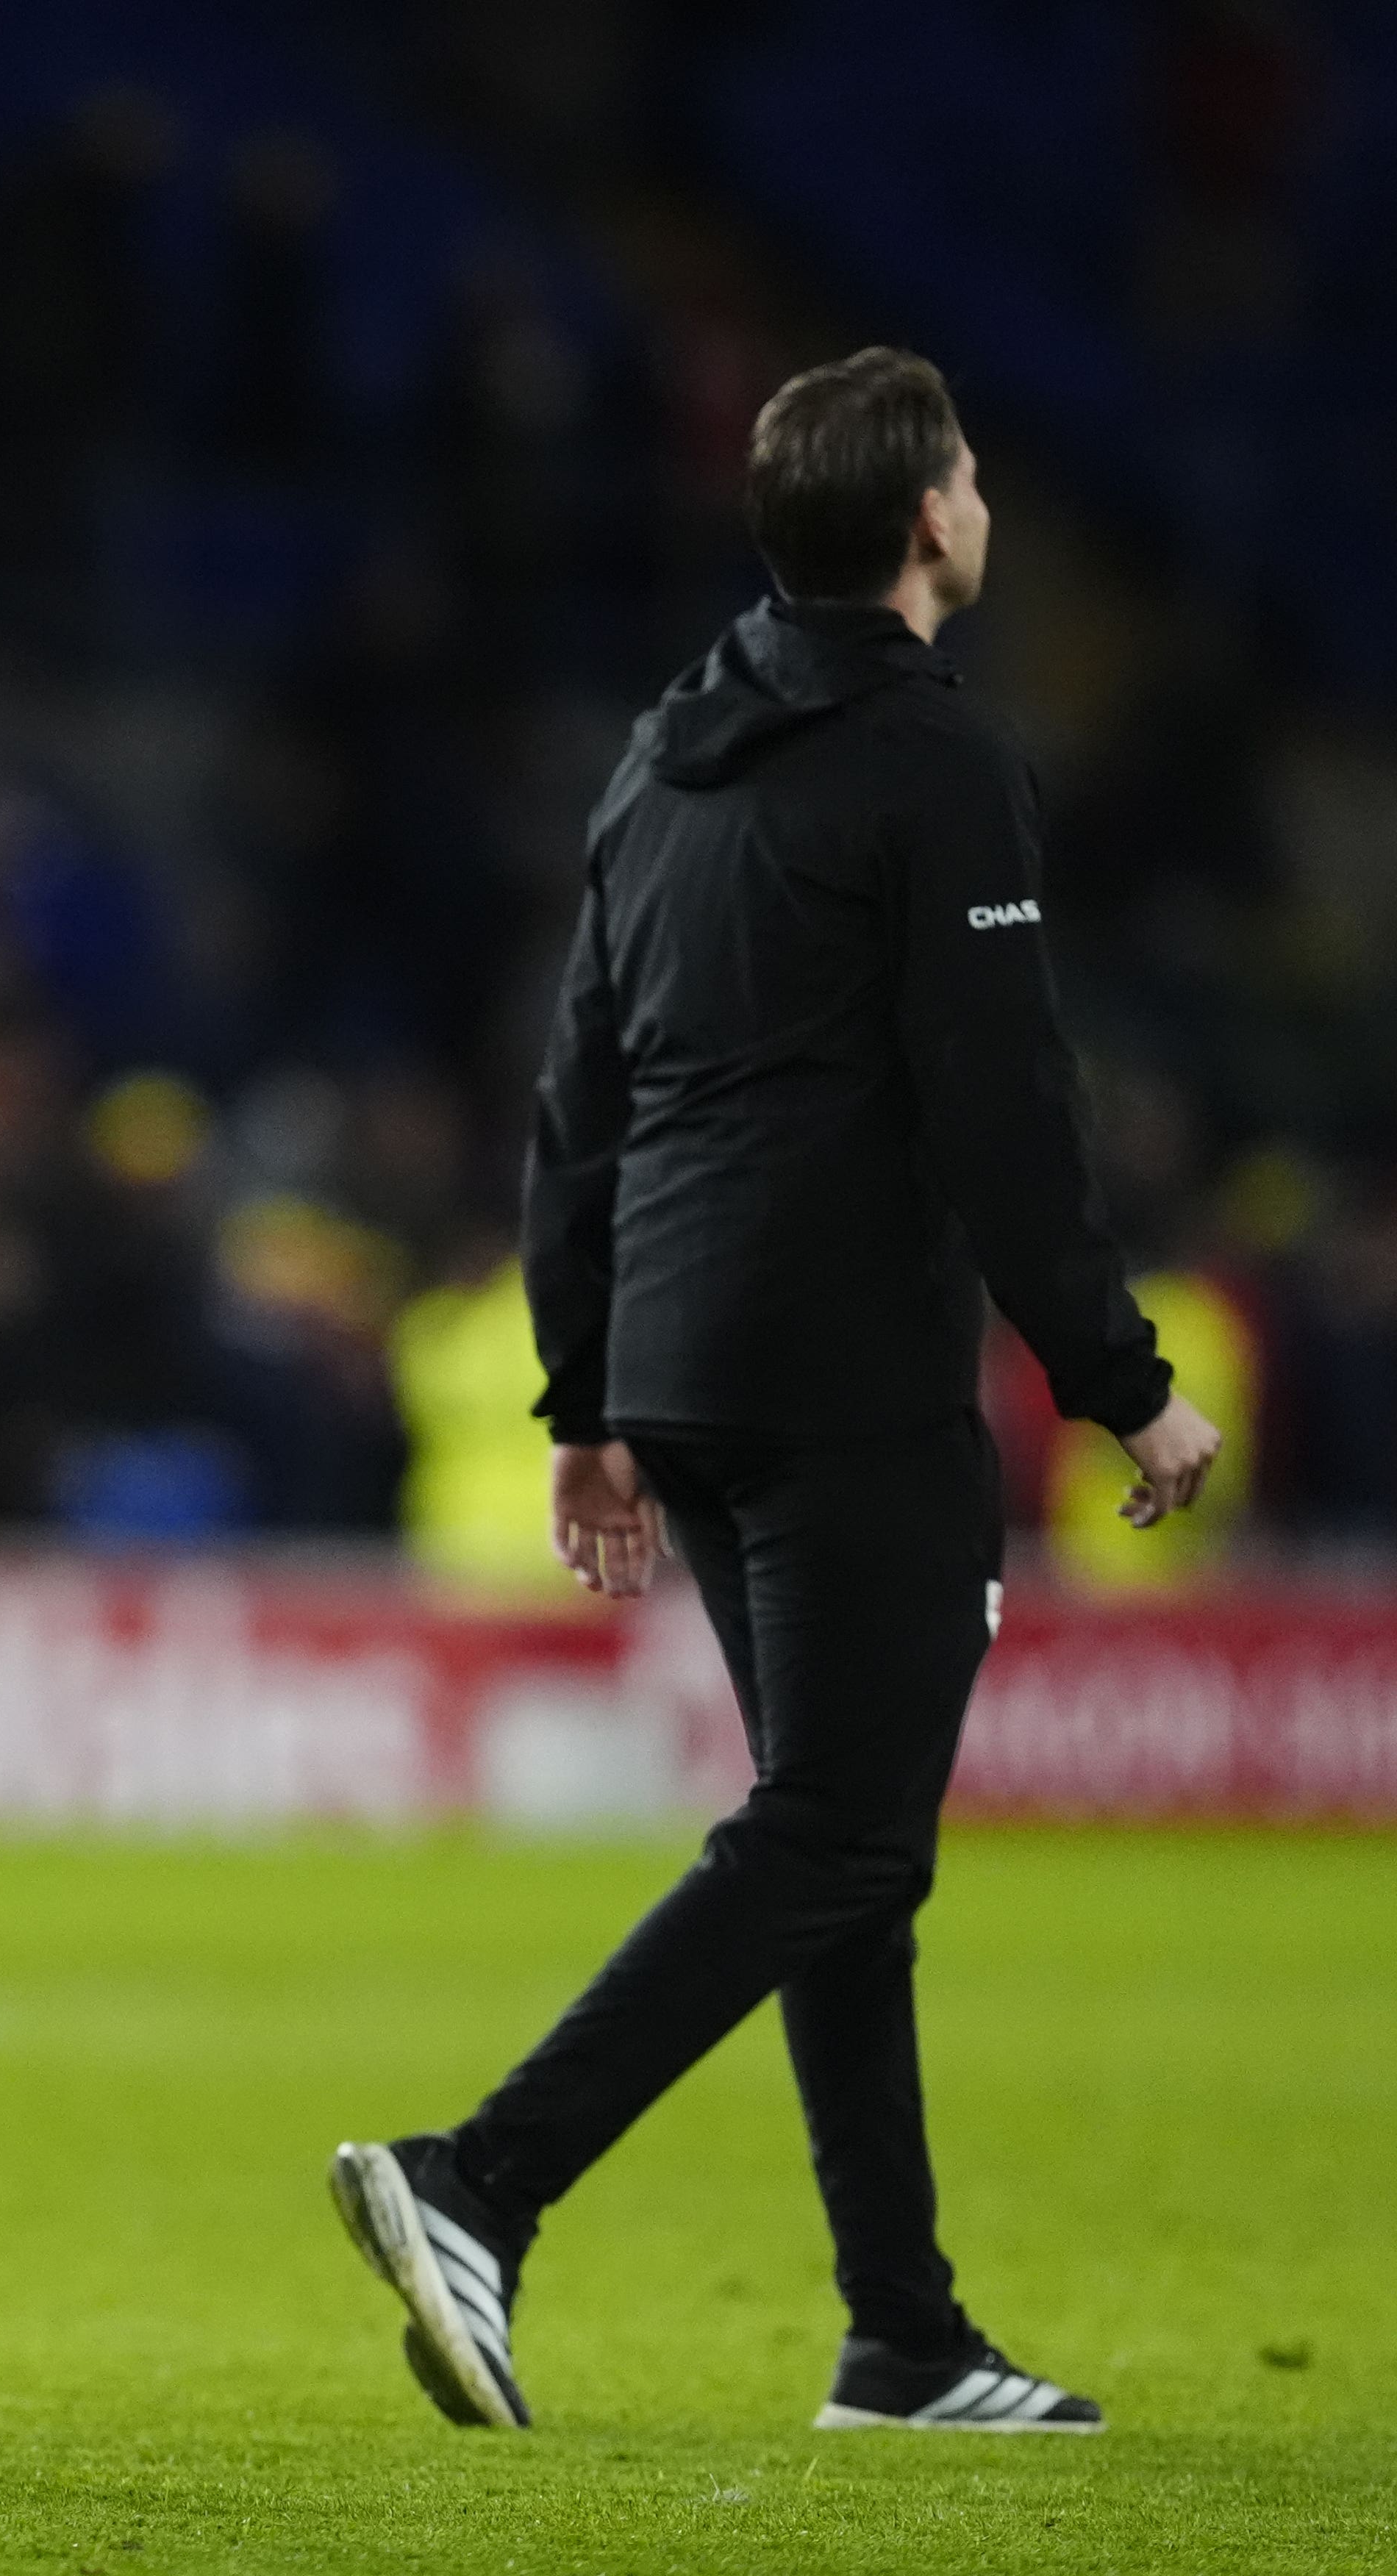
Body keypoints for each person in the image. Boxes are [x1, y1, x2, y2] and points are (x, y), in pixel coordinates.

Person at [330, 348, 1221, 2437]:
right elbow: (1007, 1111)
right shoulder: (935, 768)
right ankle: (481, 2182)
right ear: (928, 523)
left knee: (847, 1843)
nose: (987, 501)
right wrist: (1123, 1381)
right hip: (847, 1379)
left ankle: (900, 2333)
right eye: (977, 475)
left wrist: (583, 1392)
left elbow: (578, 1098)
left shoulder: (660, 761)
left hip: (687, 1371)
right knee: (837, 1828)